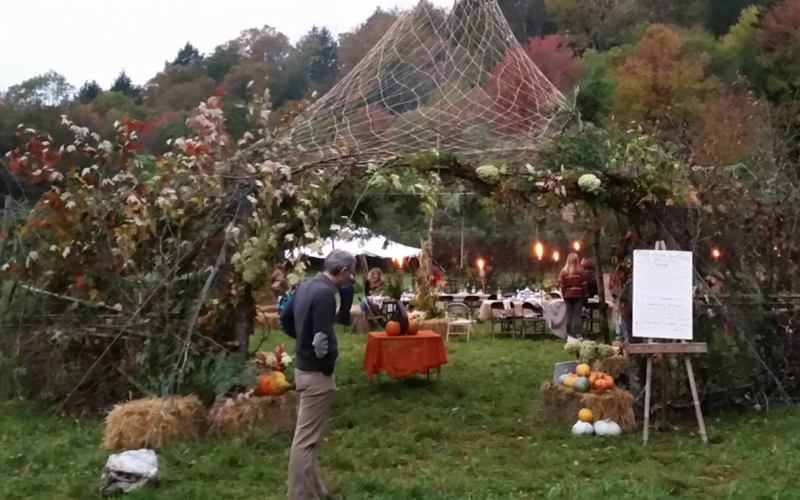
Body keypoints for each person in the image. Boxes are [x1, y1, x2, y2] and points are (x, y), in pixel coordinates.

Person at [279, 249, 356, 500]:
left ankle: (315, 491)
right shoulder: (325, 294)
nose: (350, 278)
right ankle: (301, 496)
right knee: (305, 441)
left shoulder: (305, 287)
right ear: (343, 271)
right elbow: (322, 340)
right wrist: (327, 364)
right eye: (350, 273)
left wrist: (302, 340)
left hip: (303, 368)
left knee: (308, 438)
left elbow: (284, 319)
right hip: (315, 374)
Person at [559, 253, 588, 341]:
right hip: (578, 296)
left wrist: (564, 295)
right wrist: (586, 296)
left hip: (568, 296)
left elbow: (562, 286)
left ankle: (569, 335)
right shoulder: (581, 271)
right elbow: (584, 285)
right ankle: (578, 334)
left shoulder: (564, 271)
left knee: (569, 316)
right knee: (577, 316)